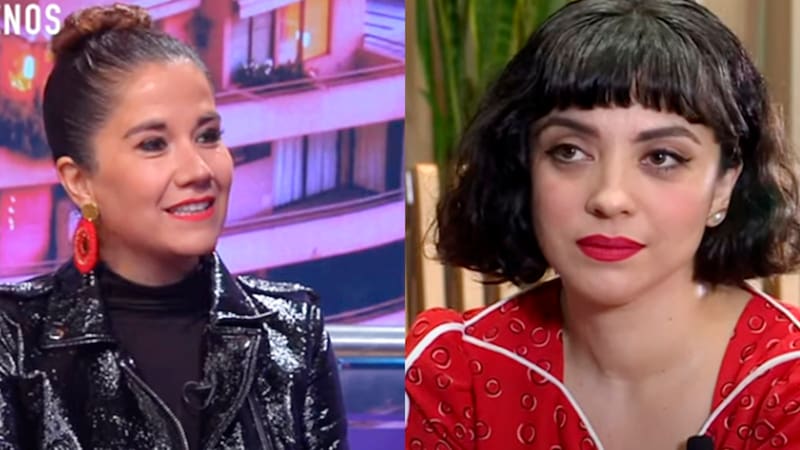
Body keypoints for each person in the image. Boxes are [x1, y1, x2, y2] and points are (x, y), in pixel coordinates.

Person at [405, 0, 800, 449]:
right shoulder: (456, 373)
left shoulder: (787, 383)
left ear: (724, 185)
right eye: (569, 151)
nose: (610, 198)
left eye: (662, 157)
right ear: (525, 168)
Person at [0, 4, 349, 449]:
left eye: (208, 136)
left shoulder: (293, 330)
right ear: (80, 181)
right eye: (153, 144)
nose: (198, 170)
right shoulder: (15, 339)